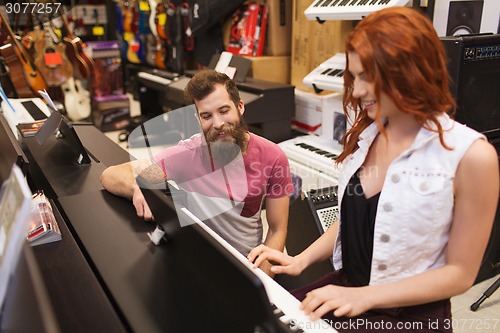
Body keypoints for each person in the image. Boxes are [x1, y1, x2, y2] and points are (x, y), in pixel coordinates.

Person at [248, 7, 499, 332]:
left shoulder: (472, 156)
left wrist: (368, 297)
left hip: (409, 317)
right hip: (347, 290)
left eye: (368, 77)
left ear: (410, 70)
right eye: (355, 77)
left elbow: (461, 274)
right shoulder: (368, 136)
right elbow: (353, 216)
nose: (358, 90)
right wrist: (301, 260)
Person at [100, 69, 293, 276]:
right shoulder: (188, 154)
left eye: (224, 111)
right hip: (197, 264)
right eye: (207, 116)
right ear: (198, 118)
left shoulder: (273, 156)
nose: (218, 123)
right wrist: (137, 186)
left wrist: (263, 281)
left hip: (248, 265)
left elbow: (276, 230)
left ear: (240, 107)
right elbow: (110, 175)